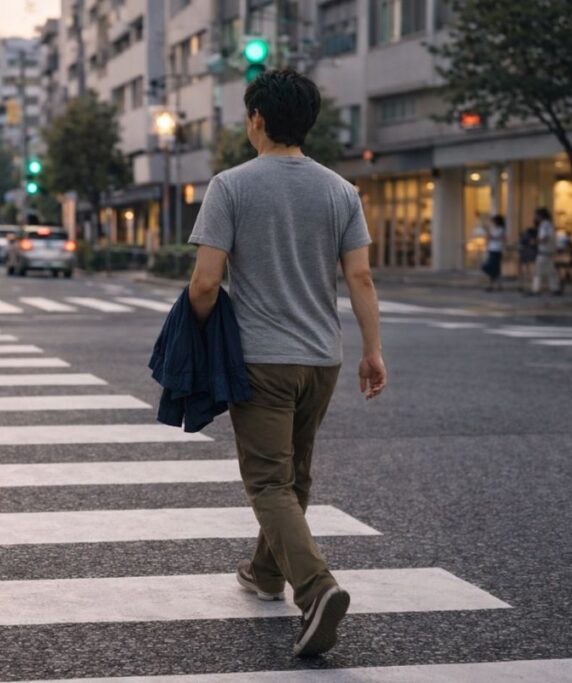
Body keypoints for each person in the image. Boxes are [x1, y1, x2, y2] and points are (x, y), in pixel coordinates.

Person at [187, 69, 386, 658]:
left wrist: (197, 337)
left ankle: (316, 587)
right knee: (294, 476)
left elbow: (204, 283)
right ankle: (264, 573)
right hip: (321, 358)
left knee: (268, 481)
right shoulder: (339, 191)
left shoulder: (231, 186)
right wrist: (373, 350)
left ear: (256, 120)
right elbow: (361, 277)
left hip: (262, 359)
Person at [531, 208, 558, 296]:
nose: (535, 217)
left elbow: (544, 237)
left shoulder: (544, 225)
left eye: (536, 215)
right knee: (551, 272)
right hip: (549, 251)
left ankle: (536, 289)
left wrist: (536, 241)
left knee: (538, 271)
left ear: (540, 216)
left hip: (543, 251)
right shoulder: (550, 224)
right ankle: (555, 289)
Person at [482, 214, 506, 292]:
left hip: (497, 250)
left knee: (493, 268)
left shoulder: (501, 229)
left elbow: (494, 237)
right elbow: (488, 237)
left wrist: (490, 236)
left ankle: (492, 285)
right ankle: (498, 285)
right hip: (492, 249)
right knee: (494, 269)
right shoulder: (493, 229)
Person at [518, 221, 538, 292]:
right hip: (530, 255)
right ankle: (527, 285)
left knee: (526, 271)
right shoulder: (533, 237)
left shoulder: (527, 237)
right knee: (530, 271)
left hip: (526, 254)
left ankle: (525, 285)